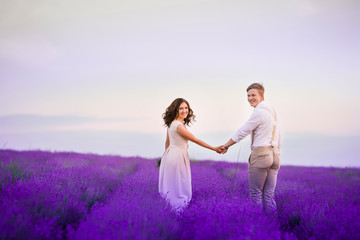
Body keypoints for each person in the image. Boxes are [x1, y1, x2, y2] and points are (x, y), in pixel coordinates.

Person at [221, 83, 282, 212]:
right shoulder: (272, 111)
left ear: (261, 95)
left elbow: (243, 131)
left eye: (253, 95)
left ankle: (258, 226)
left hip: (261, 155)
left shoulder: (259, 112)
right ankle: (273, 226)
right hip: (275, 155)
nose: (250, 98)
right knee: (269, 196)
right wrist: (276, 153)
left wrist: (226, 145)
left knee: (256, 195)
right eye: (248, 95)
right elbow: (279, 135)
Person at [159, 98, 222, 212]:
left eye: (186, 108)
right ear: (176, 110)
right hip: (178, 156)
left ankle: (170, 210)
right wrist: (214, 148)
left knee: (172, 185)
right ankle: (178, 211)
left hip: (170, 155)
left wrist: (165, 158)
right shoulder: (178, 126)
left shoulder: (171, 124)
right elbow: (195, 140)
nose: (184, 111)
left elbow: (167, 142)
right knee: (180, 186)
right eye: (181, 108)